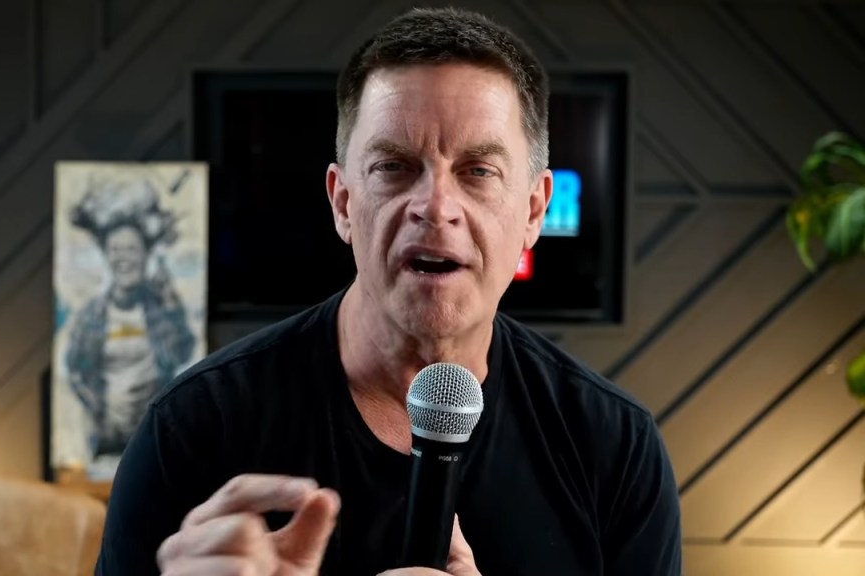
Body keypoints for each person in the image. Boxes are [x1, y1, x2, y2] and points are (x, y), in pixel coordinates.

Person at [96, 7, 682, 575]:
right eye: (394, 167)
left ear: (534, 210)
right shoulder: (192, 428)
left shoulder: (615, 446)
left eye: (478, 171)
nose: (436, 206)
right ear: (342, 202)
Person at [65, 179, 196, 460]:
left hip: (155, 437)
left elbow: (184, 351)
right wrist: (98, 411)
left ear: (146, 254)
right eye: (116, 250)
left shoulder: (162, 310)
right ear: (106, 255)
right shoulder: (91, 316)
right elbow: (76, 370)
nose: (124, 258)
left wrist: (171, 302)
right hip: (106, 438)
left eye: (132, 249)